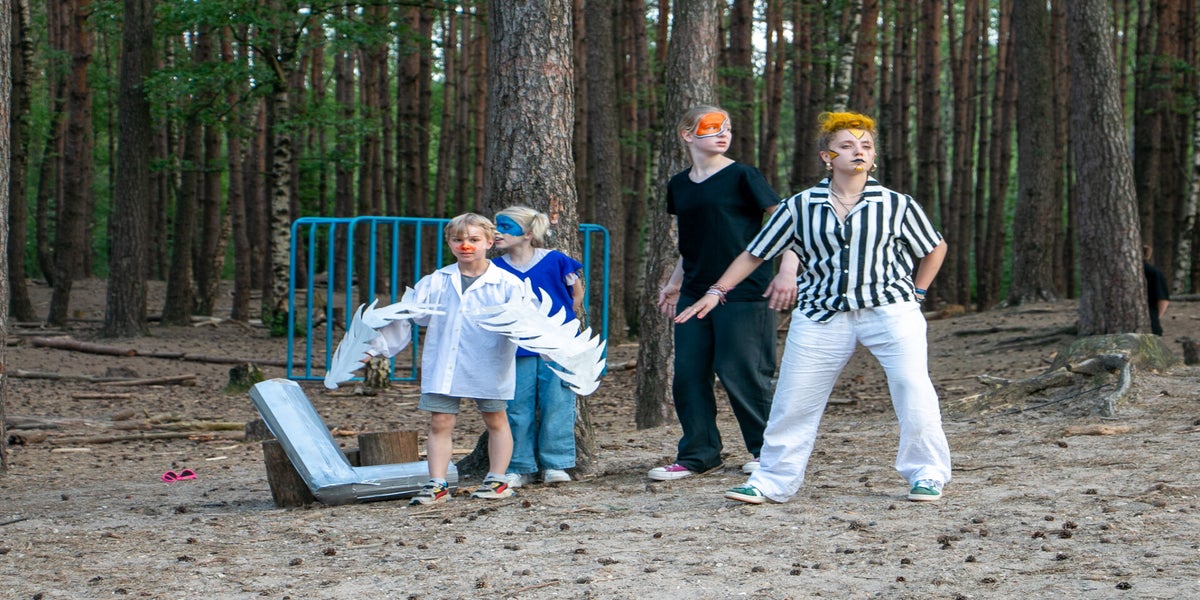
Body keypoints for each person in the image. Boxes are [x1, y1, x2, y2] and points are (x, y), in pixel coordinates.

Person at [676, 111, 952, 504]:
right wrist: (717, 291)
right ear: (827, 156)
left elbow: (934, 247)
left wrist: (917, 294)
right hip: (821, 315)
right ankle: (771, 480)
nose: (858, 151)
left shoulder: (897, 204)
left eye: (866, 146)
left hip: (890, 311)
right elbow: (756, 253)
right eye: (847, 145)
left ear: (874, 157)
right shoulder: (800, 206)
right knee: (793, 399)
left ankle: (927, 474)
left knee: (913, 389)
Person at [649, 105, 799, 482]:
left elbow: (790, 223)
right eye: (713, 127)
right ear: (687, 135)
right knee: (688, 374)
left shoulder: (743, 175)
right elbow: (693, 243)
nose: (723, 134)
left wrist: (787, 270)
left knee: (742, 371)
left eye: (727, 128)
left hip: (747, 291)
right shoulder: (679, 185)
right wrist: (675, 282)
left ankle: (769, 453)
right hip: (694, 292)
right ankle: (699, 454)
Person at [368, 213, 525, 505]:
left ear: (489, 242)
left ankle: (497, 480)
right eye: (458, 239)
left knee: (496, 419)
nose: (466, 245)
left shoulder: (508, 284)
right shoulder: (436, 281)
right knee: (440, 421)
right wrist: (375, 347)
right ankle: (437, 484)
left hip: (489, 363)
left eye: (474, 239)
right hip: (445, 364)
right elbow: (409, 315)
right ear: (449, 243)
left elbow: (525, 323)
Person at [491, 206, 586, 487]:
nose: (497, 232)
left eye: (506, 227)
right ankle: (518, 466)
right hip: (514, 348)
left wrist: (559, 327)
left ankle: (556, 464)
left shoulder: (556, 261)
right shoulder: (495, 268)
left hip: (556, 347)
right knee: (516, 407)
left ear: (528, 234)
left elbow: (576, 294)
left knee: (557, 404)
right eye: (496, 226)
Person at [1143, 245, 1170, 336]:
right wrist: (1155, 318)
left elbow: (1163, 299)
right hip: (1150, 320)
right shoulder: (1154, 272)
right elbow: (1163, 300)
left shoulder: (1152, 272)